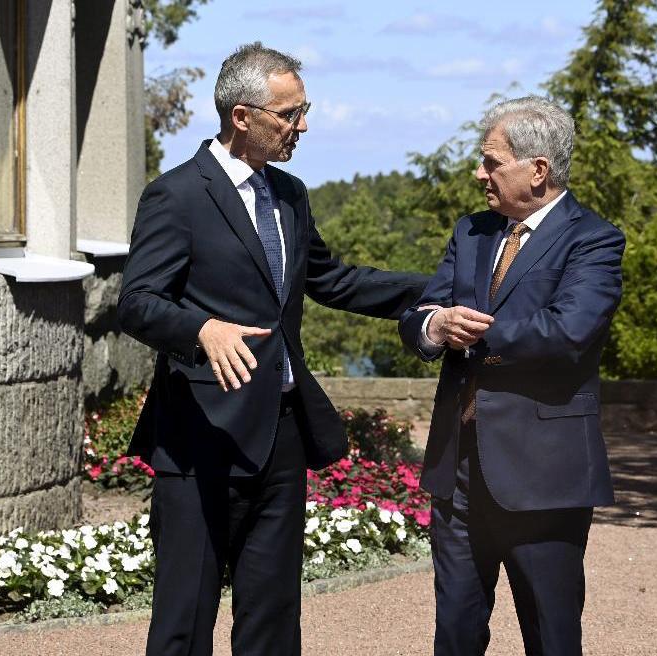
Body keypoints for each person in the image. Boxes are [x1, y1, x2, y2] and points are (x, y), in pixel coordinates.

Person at [118, 42, 429, 656]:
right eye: (290, 114)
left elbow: (332, 279)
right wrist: (201, 330)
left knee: (273, 620)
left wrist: (440, 288)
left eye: (303, 111)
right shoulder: (176, 195)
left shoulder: (289, 194)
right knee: (185, 620)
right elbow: (136, 302)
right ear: (241, 116)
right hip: (200, 433)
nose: (302, 126)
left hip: (280, 434)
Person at [398, 96, 625, 656]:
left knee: (549, 636)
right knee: (454, 635)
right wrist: (434, 327)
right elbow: (421, 315)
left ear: (538, 169)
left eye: (492, 161)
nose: (480, 173)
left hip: (544, 476)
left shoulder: (593, 239)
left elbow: (569, 332)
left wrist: (474, 332)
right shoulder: (472, 232)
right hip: (457, 473)